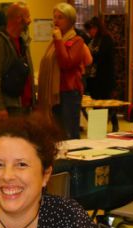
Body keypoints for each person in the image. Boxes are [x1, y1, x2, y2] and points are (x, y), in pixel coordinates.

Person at [38, 3, 85, 139]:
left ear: (70, 20)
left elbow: (66, 64)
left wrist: (58, 40)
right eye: (55, 17)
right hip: (55, 94)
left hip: (69, 93)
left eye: (60, 17)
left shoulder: (77, 41)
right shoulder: (54, 42)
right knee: (57, 135)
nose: (56, 21)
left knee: (69, 134)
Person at [0, 2, 35, 120]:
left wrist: (33, 102)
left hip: (27, 106)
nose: (30, 21)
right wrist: (0, 108)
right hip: (11, 108)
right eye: (28, 16)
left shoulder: (23, 41)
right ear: (19, 18)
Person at [84, 16, 118, 132]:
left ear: (97, 28)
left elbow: (101, 57)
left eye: (90, 29)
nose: (89, 32)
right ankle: (98, 129)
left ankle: (109, 125)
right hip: (93, 78)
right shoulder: (92, 40)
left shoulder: (107, 39)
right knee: (96, 103)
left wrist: (88, 57)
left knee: (105, 103)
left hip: (104, 78)